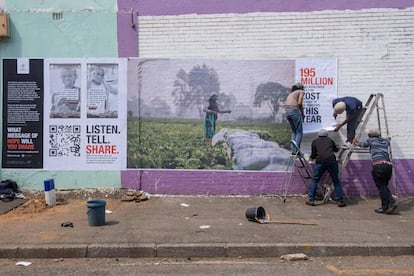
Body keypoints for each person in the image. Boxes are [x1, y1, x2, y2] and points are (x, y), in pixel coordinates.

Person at [353, 128, 397, 214]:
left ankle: (386, 206)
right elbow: (388, 139)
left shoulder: (370, 140)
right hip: (388, 165)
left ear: (370, 135)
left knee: (381, 187)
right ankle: (390, 204)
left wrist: (355, 141)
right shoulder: (385, 141)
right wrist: (389, 137)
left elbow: (362, 144)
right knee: (384, 186)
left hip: (378, 165)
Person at [306, 129, 346, 207]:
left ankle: (311, 200)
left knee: (315, 180)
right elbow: (336, 150)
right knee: (336, 181)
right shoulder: (330, 140)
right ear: (327, 135)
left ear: (318, 135)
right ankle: (340, 201)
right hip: (331, 160)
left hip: (320, 161)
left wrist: (311, 158)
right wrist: (339, 147)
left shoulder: (315, 141)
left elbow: (313, 154)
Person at [284, 82, 305, 155]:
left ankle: (293, 150)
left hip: (287, 111)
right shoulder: (301, 91)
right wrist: (302, 114)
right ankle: (297, 151)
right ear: (301, 87)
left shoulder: (291, 93)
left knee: (294, 131)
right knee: (299, 131)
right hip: (294, 110)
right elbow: (299, 103)